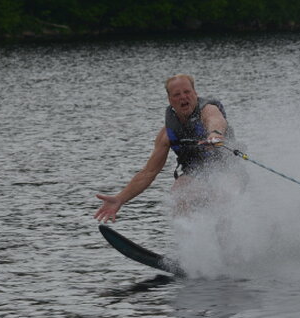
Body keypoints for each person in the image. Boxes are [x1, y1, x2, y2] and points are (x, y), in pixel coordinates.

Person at [94, 74, 239, 222]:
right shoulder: (167, 135)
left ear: (195, 93)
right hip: (196, 174)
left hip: (229, 171)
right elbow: (148, 173)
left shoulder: (208, 110)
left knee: (221, 191)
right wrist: (120, 199)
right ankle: (188, 235)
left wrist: (215, 134)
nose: (183, 97)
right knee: (180, 189)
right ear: (170, 100)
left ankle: (227, 235)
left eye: (187, 92)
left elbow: (216, 120)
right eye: (177, 94)